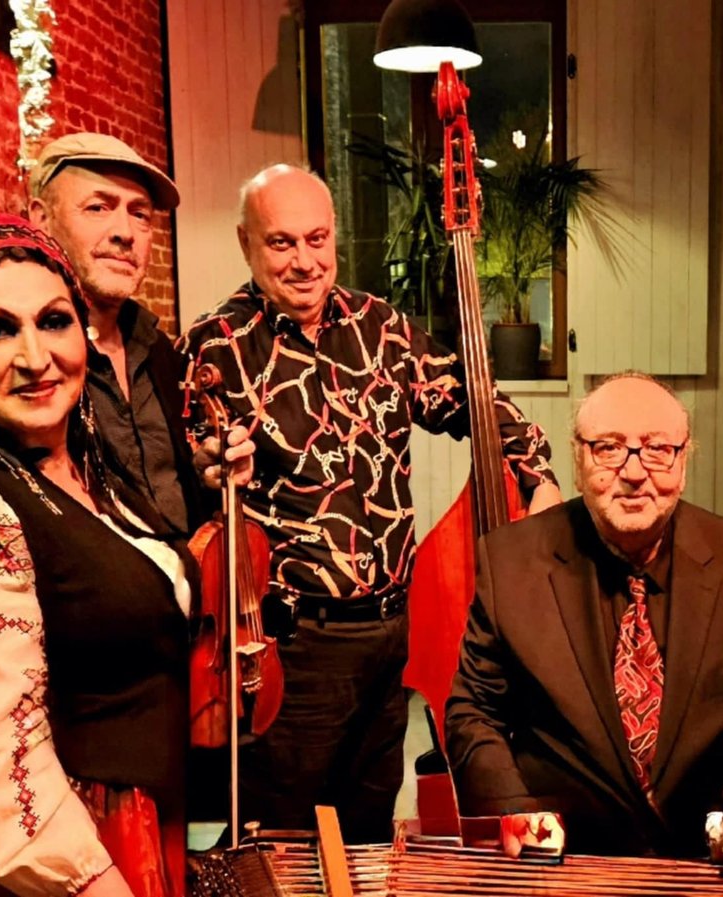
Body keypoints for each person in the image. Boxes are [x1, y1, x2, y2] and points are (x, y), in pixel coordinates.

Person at [177, 164, 562, 843]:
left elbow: (472, 401)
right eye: (281, 242)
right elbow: (186, 470)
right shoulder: (215, 345)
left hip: (389, 635)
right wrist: (210, 468)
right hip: (292, 644)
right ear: (246, 243)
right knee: (283, 839)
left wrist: (539, 475)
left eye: (317, 239)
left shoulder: (380, 326)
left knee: (369, 834)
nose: (305, 261)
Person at [0, 214, 192, 897]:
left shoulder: (91, 468)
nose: (35, 356)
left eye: (53, 321)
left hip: (142, 832)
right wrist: (94, 881)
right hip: (73, 865)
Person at [445, 373, 723, 857]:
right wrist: (513, 809)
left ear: (684, 461)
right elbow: (474, 712)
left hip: (708, 862)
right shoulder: (510, 561)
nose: (634, 471)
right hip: (563, 858)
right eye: (609, 448)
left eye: (658, 449)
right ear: (578, 458)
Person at [27, 132, 205, 535]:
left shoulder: (159, 349)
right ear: (41, 218)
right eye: (98, 207)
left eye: (140, 214)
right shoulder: (30, 362)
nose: (125, 231)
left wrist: (205, 475)